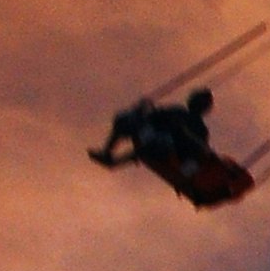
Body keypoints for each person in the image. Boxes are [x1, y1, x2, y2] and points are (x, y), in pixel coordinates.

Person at [89, 88, 253, 207]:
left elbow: (198, 149)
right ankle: (107, 152)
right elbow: (153, 116)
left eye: (201, 102)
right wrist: (142, 109)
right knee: (126, 119)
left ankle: (114, 162)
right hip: (154, 136)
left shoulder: (200, 129)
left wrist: (182, 134)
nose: (196, 103)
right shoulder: (176, 111)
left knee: (156, 144)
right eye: (196, 99)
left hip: (173, 153)